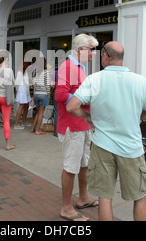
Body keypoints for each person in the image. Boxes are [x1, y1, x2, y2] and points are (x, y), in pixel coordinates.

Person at [66, 41, 146, 221]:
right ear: (121, 57)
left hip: (102, 147)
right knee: (139, 196)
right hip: (131, 149)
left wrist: (86, 116)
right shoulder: (141, 81)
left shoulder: (94, 79)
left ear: (105, 56)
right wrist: (138, 114)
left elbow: (71, 106)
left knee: (105, 198)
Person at [54, 33, 99, 221]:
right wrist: (81, 102)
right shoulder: (69, 66)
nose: (93, 54)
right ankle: (66, 208)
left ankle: (82, 198)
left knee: (83, 164)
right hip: (71, 126)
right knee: (71, 167)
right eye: (92, 50)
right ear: (81, 49)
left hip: (81, 125)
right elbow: (60, 94)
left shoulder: (78, 67)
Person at [30, 57, 51, 135]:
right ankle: (38, 130)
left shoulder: (35, 72)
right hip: (43, 94)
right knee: (41, 113)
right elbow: (47, 84)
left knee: (38, 112)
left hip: (36, 94)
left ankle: (33, 128)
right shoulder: (46, 72)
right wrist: (48, 93)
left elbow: (33, 84)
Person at [13, 61, 32, 130]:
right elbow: (16, 83)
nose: (31, 67)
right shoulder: (20, 72)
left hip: (26, 92)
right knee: (21, 107)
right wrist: (17, 91)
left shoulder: (26, 73)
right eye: (30, 65)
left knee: (26, 106)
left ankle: (23, 121)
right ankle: (16, 124)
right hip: (22, 91)